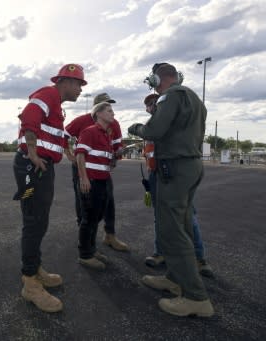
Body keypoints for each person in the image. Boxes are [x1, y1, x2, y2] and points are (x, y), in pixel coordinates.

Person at [128, 63, 214, 317]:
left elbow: (154, 130)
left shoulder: (170, 96)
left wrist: (136, 128)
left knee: (171, 229)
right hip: (190, 165)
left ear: (158, 78)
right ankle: (176, 279)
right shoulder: (194, 98)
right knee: (184, 222)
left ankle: (195, 297)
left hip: (174, 167)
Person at [13, 63, 87, 313]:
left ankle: (35, 269)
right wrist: (32, 154)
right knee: (34, 221)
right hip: (31, 168)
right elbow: (29, 118)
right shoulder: (47, 95)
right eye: (78, 84)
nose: (80, 89)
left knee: (40, 220)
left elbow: (57, 133)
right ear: (64, 82)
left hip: (42, 167)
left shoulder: (57, 106)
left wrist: (65, 149)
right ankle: (29, 283)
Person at [142, 94, 214, 277]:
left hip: (174, 173)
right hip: (156, 174)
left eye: (154, 102)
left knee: (188, 216)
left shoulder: (171, 122)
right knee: (161, 216)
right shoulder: (151, 125)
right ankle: (162, 253)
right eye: (148, 105)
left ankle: (199, 259)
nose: (151, 106)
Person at [64, 92, 130, 252]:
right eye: (106, 105)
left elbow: (117, 146)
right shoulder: (83, 121)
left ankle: (110, 235)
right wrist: (69, 154)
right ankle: (85, 236)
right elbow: (64, 135)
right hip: (82, 168)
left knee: (108, 200)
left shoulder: (113, 123)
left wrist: (115, 157)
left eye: (110, 105)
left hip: (101, 169)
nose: (110, 109)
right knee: (83, 200)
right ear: (97, 109)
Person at [75, 102, 115, 270]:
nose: (113, 113)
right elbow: (80, 155)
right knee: (89, 219)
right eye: (109, 110)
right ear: (98, 114)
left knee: (97, 218)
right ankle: (85, 255)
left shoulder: (107, 135)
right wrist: (84, 178)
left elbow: (102, 160)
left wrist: (112, 160)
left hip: (104, 181)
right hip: (91, 182)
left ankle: (91, 249)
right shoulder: (89, 131)